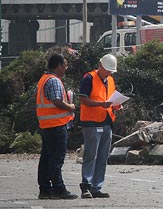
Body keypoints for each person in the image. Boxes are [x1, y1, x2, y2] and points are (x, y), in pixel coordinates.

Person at [78, 54, 121, 199]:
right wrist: (101, 104)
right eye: (107, 70)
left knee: (103, 156)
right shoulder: (88, 78)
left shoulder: (110, 80)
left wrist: (116, 106)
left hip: (107, 121)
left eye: (111, 71)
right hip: (91, 122)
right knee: (91, 155)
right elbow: (83, 99)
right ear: (100, 66)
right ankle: (86, 186)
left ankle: (96, 187)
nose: (109, 73)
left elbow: (110, 99)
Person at [36, 53, 77, 199]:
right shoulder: (54, 80)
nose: (66, 68)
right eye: (65, 65)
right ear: (58, 65)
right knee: (56, 159)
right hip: (56, 125)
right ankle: (58, 188)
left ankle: (45, 189)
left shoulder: (44, 79)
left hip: (47, 124)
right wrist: (71, 107)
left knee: (46, 158)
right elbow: (57, 101)